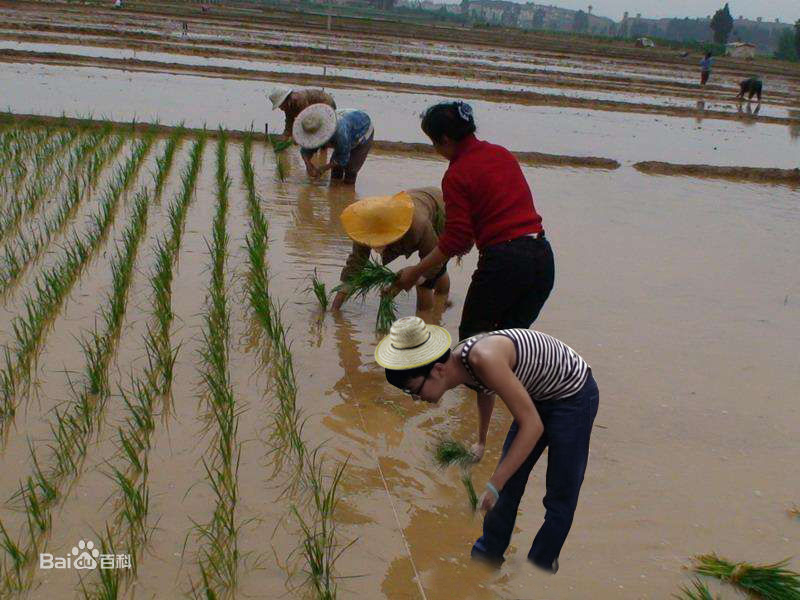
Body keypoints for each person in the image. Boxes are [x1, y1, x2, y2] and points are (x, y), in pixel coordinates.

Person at [375, 316, 599, 573]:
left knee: (560, 496)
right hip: (535, 396)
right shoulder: (462, 364)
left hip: (573, 396)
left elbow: (533, 426)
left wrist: (494, 484)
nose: (415, 399)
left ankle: (540, 566)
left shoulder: (483, 358)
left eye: (414, 390)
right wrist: (481, 441)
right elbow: (485, 389)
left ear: (437, 370)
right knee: (507, 488)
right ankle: (484, 564)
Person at [392, 101, 554, 342]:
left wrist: (414, 272)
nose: (436, 149)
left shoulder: (457, 174)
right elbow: (480, 226)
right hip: (542, 259)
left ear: (445, 139)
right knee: (507, 344)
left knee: (473, 344)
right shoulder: (502, 154)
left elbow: (455, 239)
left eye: (434, 143)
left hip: (505, 263)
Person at [333, 188, 450, 312]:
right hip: (420, 201)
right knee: (432, 274)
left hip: (443, 212)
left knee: (425, 284)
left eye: (381, 242)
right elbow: (355, 265)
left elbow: (435, 260)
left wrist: (405, 282)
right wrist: (335, 308)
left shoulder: (418, 226)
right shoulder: (365, 227)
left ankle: (429, 319)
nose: (376, 247)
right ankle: (441, 304)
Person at [294, 104, 374, 185]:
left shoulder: (340, 133)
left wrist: (322, 169)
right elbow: (305, 150)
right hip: (348, 120)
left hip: (362, 129)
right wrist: (308, 164)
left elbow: (343, 158)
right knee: (336, 170)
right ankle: (334, 190)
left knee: (351, 169)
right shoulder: (313, 128)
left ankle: (348, 190)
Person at [268, 87, 336, 137]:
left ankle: (322, 153)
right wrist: (286, 135)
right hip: (315, 109)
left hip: (326, 105)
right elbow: (289, 121)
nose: (280, 108)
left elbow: (307, 120)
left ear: (284, 100)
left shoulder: (300, 101)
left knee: (320, 132)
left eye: (280, 105)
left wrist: (298, 137)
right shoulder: (288, 106)